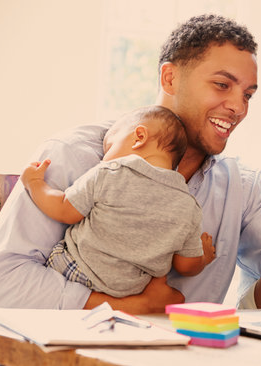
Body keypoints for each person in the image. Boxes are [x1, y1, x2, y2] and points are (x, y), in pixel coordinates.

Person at [0, 14, 261, 313]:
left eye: (247, 95)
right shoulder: (71, 155)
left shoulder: (244, 189)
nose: (238, 107)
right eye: (222, 85)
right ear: (170, 78)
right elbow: (5, 281)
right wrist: (127, 308)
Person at [20, 105, 215, 298]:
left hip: (76, 270)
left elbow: (64, 210)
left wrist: (35, 183)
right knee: (174, 297)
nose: (104, 157)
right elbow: (185, 265)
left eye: (109, 147)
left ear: (139, 137)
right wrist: (204, 257)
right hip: (128, 292)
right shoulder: (189, 207)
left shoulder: (111, 172)